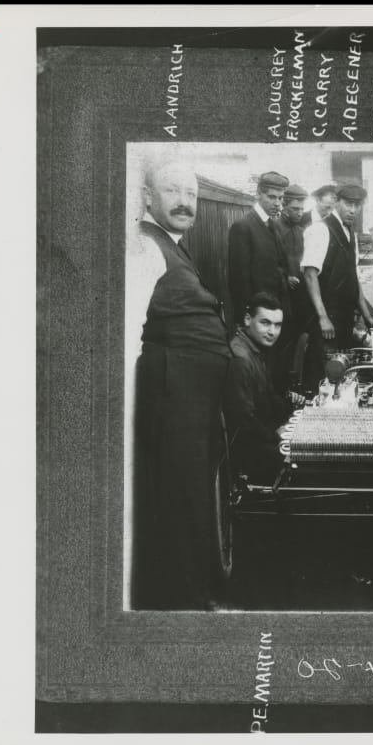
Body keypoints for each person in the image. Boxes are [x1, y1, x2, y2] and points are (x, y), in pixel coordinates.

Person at [129, 160, 231, 611]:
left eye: (191, 194)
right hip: (171, 397)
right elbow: (129, 330)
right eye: (173, 191)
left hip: (191, 397)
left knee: (193, 497)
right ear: (148, 196)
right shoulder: (143, 246)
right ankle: (184, 604)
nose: (185, 202)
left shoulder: (171, 245)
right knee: (179, 500)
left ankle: (195, 594)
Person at [301, 182, 373, 389]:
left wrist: (367, 314)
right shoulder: (319, 230)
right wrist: (323, 317)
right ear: (337, 202)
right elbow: (309, 275)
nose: (353, 210)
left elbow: (353, 278)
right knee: (321, 375)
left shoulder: (350, 234)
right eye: (348, 204)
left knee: (342, 375)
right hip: (326, 321)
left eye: (357, 205)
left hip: (344, 320)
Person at [223, 293, 304, 483]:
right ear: (247, 319)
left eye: (277, 325)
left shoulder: (253, 349)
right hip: (250, 454)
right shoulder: (240, 358)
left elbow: (268, 398)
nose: (272, 332)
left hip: (260, 442)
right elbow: (244, 420)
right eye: (265, 323)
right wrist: (276, 436)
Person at [227, 171, 294, 341]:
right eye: (272, 197)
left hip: (275, 314)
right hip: (257, 319)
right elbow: (238, 280)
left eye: (280, 198)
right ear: (258, 194)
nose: (277, 203)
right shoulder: (243, 227)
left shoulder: (273, 225)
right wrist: (245, 321)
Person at [273, 184, 312, 332]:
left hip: (301, 295)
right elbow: (268, 262)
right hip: (282, 295)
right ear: (284, 207)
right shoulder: (274, 229)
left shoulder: (300, 230)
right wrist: (285, 277)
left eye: (302, 209)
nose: (300, 213)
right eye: (295, 209)